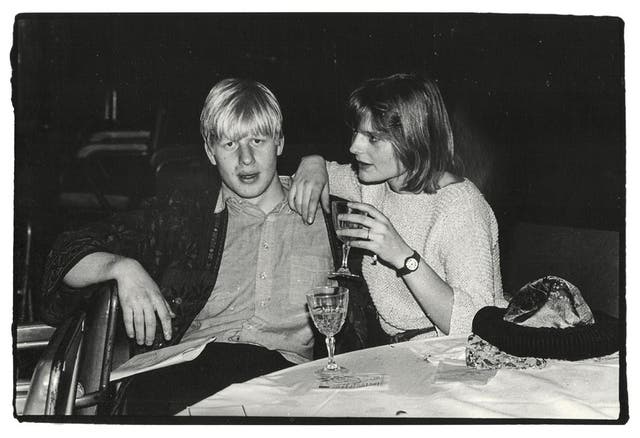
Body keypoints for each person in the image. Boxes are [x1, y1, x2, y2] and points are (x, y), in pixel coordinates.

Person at [40, 78, 366, 415]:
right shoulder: (188, 218)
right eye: (229, 144)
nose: (246, 159)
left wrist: (319, 162)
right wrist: (121, 267)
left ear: (280, 143)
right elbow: (66, 254)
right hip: (188, 377)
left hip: (288, 385)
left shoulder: (330, 216)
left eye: (258, 140)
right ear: (210, 152)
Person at [289, 73, 504, 340]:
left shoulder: (460, 207)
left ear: (412, 139)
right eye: (356, 131)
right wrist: (313, 160)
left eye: (373, 137)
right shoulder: (373, 182)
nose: (354, 146)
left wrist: (404, 257)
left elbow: (478, 324)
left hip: (453, 354)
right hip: (395, 351)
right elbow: (314, 177)